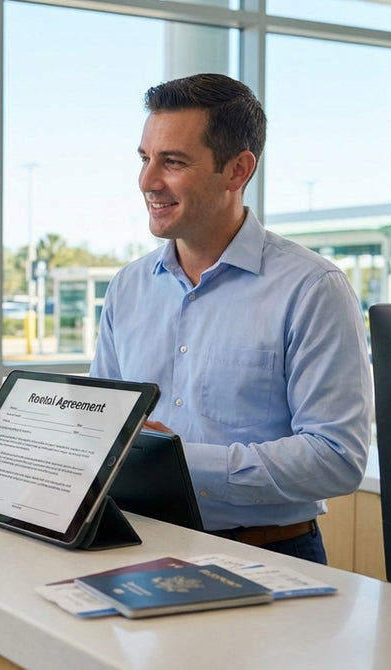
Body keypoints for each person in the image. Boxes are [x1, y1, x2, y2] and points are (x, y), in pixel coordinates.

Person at [89, 73, 372, 563]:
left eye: (172, 162)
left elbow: (336, 458)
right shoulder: (127, 287)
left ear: (238, 170)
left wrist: (177, 464)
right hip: (139, 549)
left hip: (269, 556)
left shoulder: (311, 288)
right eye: (144, 159)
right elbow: (101, 426)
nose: (147, 181)